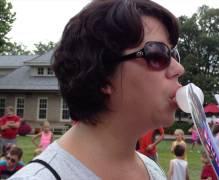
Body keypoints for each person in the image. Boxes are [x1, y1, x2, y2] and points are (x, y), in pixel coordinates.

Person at [11, 0, 184, 179]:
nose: (179, 69)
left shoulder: (153, 171)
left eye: (173, 55)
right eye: (158, 54)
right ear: (103, 75)